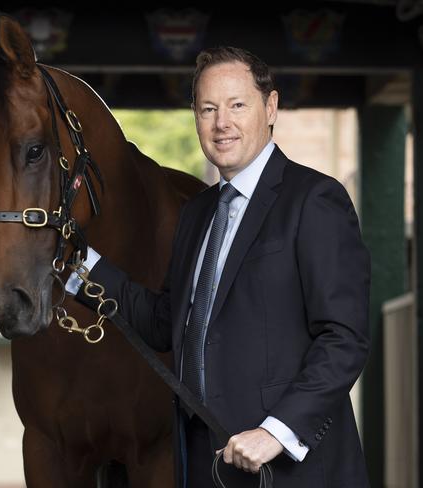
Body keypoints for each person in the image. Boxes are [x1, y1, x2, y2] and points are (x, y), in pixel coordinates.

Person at [67, 46, 371, 487]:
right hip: (204, 464)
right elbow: (165, 323)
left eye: (236, 106)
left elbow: (344, 338)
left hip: (289, 471)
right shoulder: (197, 214)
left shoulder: (315, 201)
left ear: (270, 108)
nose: (221, 123)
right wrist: (82, 265)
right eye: (207, 108)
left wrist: (276, 431)